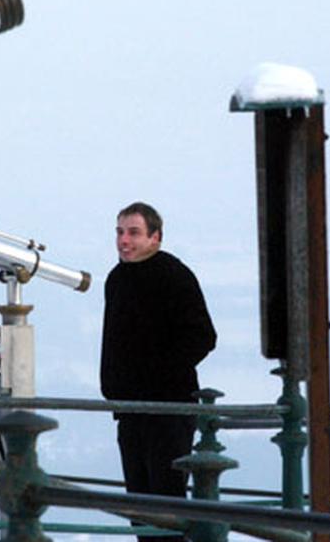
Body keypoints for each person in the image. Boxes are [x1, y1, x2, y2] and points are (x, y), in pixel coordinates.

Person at [100, 202, 217, 542]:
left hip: (168, 408)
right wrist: (116, 389)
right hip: (130, 409)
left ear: (156, 237)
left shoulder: (173, 274)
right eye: (120, 232)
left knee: (166, 505)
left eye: (134, 232)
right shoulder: (117, 278)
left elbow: (203, 337)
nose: (124, 240)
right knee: (140, 506)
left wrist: (156, 375)